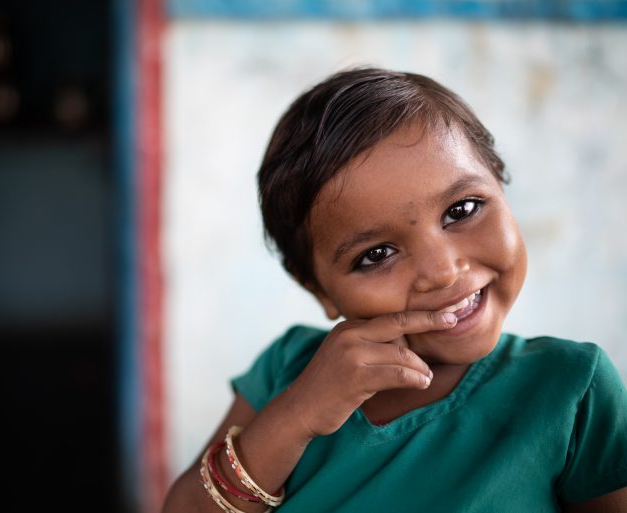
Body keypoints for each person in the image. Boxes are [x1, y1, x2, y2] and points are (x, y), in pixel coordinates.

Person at [162, 67, 627, 513]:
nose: (442, 271)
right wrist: (298, 414)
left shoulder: (571, 389)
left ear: (500, 183)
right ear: (319, 290)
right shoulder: (289, 371)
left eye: (462, 209)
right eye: (377, 254)